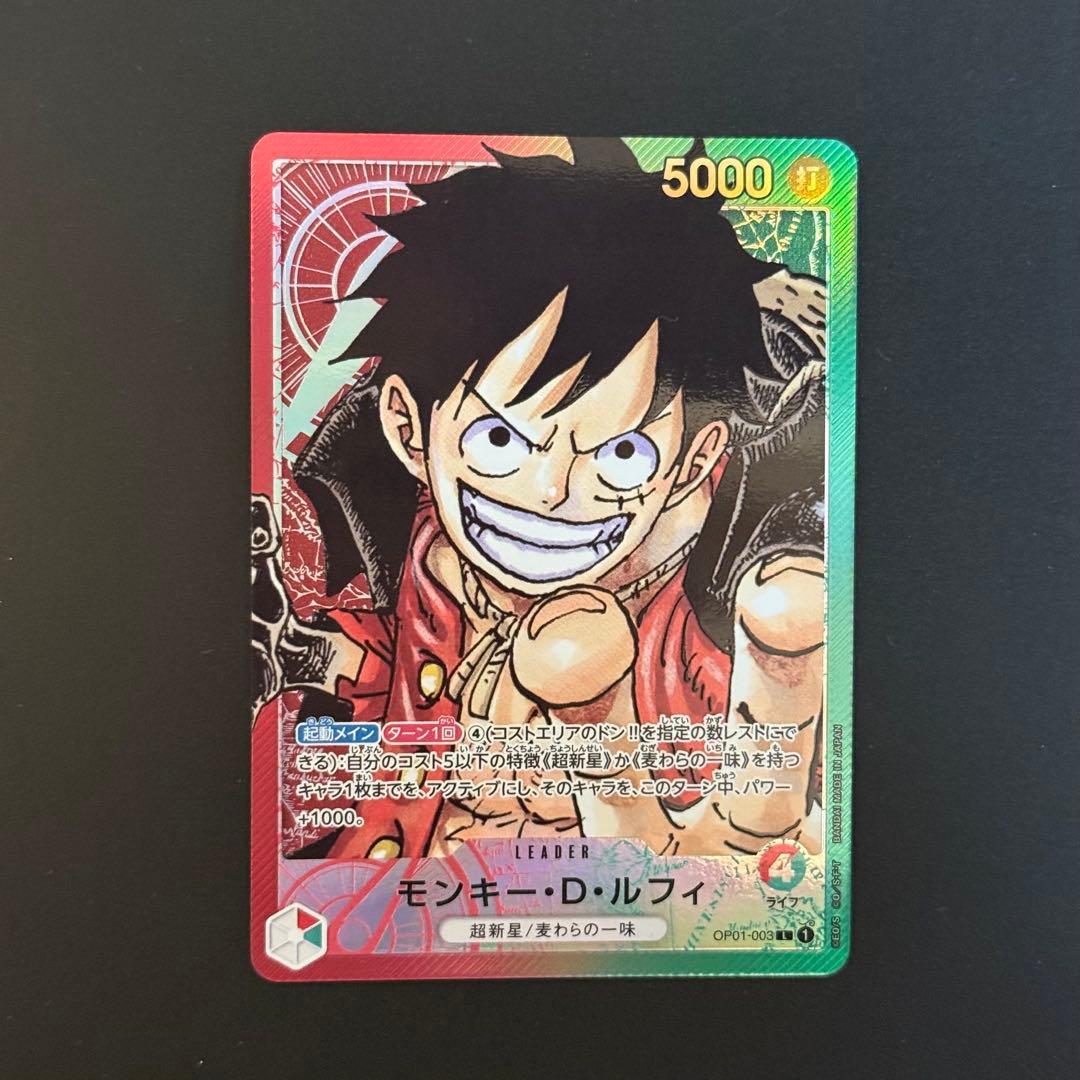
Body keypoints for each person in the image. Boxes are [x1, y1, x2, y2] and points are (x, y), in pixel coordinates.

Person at [252, 138, 827, 860]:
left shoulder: (684, 613)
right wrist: (307, 653)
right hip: (404, 877)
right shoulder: (430, 558)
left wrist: (757, 824)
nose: (552, 492)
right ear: (406, 427)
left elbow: (746, 755)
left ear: (692, 462)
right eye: (499, 440)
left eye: (622, 455)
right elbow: (408, 682)